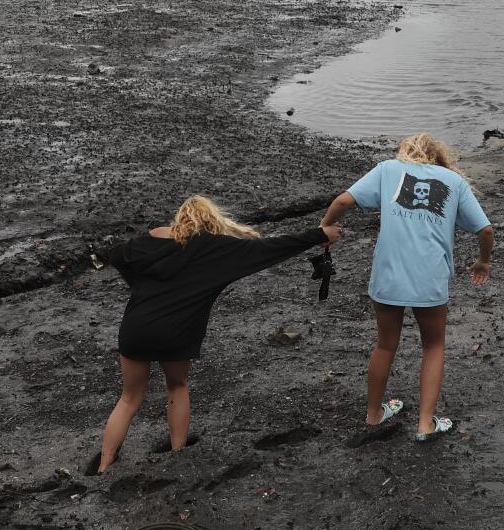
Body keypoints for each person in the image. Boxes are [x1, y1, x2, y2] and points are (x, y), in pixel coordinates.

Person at [92, 195, 338, 474]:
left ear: (180, 217)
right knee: (177, 387)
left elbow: (115, 256)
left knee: (129, 399)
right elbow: (267, 248)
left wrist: (138, 286)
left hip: (136, 327)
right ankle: (176, 455)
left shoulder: (143, 243)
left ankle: (103, 465)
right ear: (210, 221)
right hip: (176, 332)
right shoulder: (212, 249)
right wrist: (319, 235)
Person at [322, 134, 493, 443]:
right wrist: (483, 261)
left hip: (388, 276)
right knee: (433, 346)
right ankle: (425, 424)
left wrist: (325, 227)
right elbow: (485, 229)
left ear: (406, 152)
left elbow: (343, 201)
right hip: (429, 279)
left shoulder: (388, 170)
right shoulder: (453, 182)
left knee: (386, 344)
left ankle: (374, 415)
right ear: (439, 156)